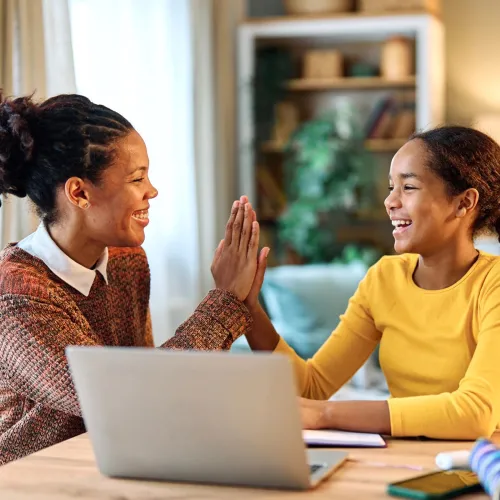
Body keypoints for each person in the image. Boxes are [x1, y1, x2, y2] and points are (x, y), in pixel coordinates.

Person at [0, 93, 263, 465]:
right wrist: (224, 302)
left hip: (115, 469)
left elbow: (149, 386)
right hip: (31, 483)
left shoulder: (126, 262)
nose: (151, 190)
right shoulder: (17, 298)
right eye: (137, 178)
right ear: (79, 192)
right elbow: (127, 397)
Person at [244, 125, 500, 440]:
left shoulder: (493, 285)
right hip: (404, 455)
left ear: (464, 203)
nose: (390, 201)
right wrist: (248, 307)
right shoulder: (384, 279)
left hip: (481, 463)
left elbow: (474, 414)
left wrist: (326, 414)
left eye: (408, 187)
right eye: (391, 187)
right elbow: (312, 387)